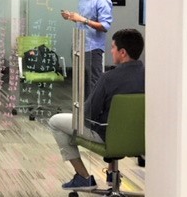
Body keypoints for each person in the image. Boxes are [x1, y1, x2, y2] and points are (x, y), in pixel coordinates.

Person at [48, 28, 145, 191]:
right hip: (139, 139)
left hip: (107, 136)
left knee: (55, 122)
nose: (111, 51)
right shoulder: (150, 76)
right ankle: (111, 173)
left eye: (113, 47)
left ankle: (83, 177)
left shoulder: (108, 78)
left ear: (122, 52)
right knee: (111, 120)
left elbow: (88, 114)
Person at [61, 0, 113, 97]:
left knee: (93, 83)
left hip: (92, 48)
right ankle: (82, 114)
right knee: (80, 84)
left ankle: (92, 115)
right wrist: (72, 17)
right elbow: (83, 19)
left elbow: (105, 26)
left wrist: (82, 20)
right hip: (78, 45)